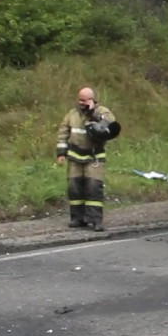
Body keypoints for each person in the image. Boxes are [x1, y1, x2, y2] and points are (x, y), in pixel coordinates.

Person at [56, 86, 117, 231]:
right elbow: (63, 132)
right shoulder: (72, 114)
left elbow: (111, 123)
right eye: (80, 100)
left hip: (94, 157)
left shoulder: (102, 111)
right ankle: (77, 218)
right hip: (75, 157)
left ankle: (96, 220)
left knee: (93, 187)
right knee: (74, 188)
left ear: (92, 99)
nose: (81, 103)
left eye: (85, 100)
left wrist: (93, 113)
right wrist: (61, 153)